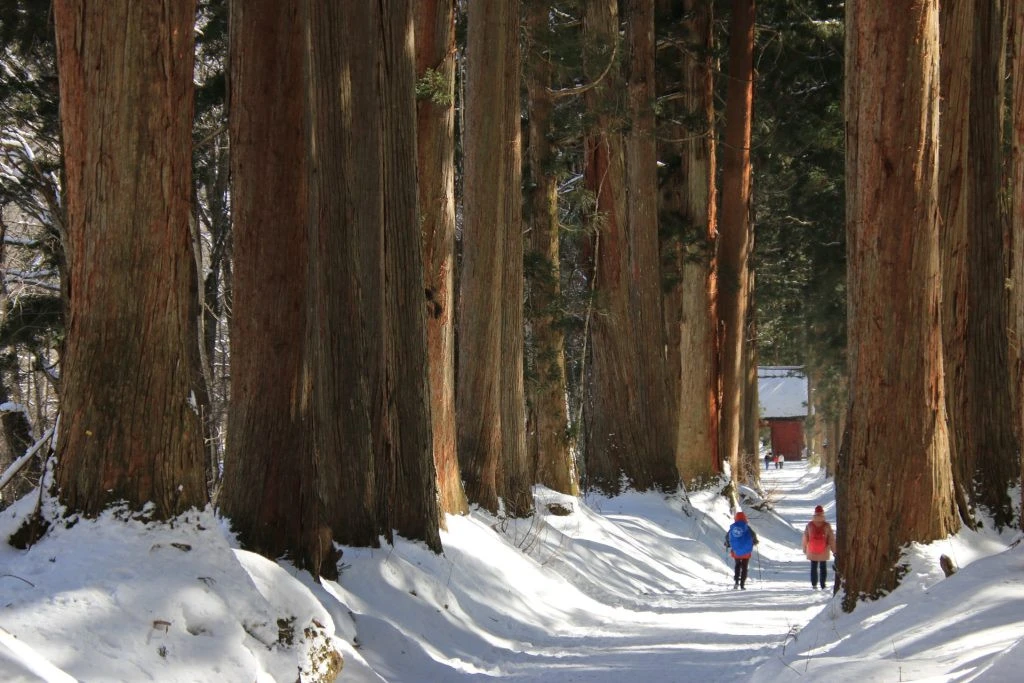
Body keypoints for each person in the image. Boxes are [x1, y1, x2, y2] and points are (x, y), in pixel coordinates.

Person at [802, 504, 837, 589]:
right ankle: (823, 584)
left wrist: (804, 549)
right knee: (823, 567)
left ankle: (814, 584)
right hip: (824, 550)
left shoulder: (809, 525)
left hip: (812, 549)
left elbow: (805, 538)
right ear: (823, 513)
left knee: (813, 567)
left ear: (815, 513)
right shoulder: (826, 525)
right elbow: (831, 539)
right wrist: (834, 550)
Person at [725, 511, 759, 590]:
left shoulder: (733, 528)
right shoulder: (747, 527)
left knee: (737, 565)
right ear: (744, 518)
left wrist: (727, 544)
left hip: (736, 551)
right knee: (744, 567)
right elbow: (753, 537)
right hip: (746, 552)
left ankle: (736, 581)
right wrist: (755, 542)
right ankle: (742, 584)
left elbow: (728, 537)